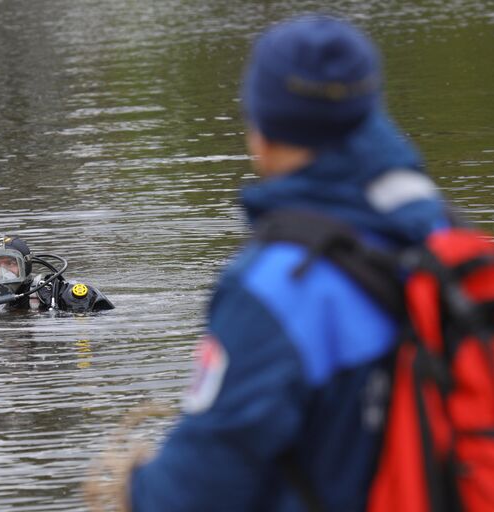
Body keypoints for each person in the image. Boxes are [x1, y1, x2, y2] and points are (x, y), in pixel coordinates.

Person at [120, 15, 451, 511]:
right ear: (368, 112)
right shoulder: (444, 235)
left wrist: (136, 484)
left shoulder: (276, 288)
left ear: (262, 132)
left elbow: (190, 493)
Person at [0, 235, 114, 313]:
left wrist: (75, 299)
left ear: (25, 266)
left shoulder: (49, 293)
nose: (2, 272)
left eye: (10, 264)